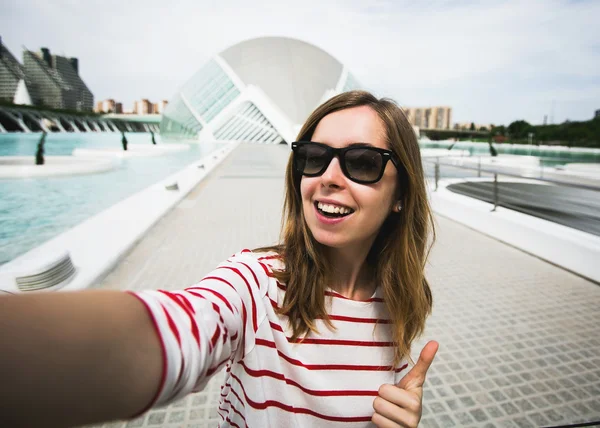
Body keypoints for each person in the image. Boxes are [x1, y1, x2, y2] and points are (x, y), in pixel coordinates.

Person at [0, 91, 438, 428]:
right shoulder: (257, 285)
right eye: (314, 157)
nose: (328, 178)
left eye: (361, 163)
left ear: (401, 194)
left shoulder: (396, 304)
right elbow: (177, 331)